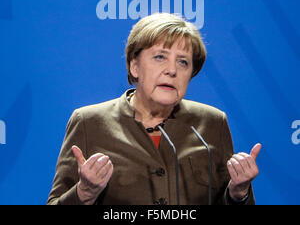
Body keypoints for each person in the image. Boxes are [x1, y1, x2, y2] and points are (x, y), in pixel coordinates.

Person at [47, 12, 261, 205]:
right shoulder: (89, 123)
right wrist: (84, 192)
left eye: (183, 62)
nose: (172, 70)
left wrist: (238, 193)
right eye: (160, 57)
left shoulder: (212, 123)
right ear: (135, 66)